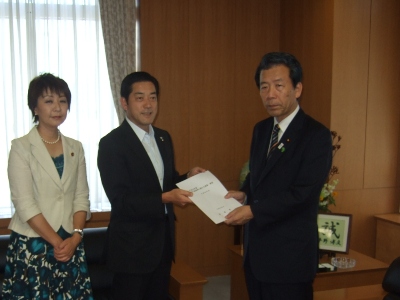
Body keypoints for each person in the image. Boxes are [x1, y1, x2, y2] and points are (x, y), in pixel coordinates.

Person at [224, 52, 332, 300]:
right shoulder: (262, 129)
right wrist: (244, 192)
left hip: (290, 260)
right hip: (256, 255)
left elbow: (303, 194)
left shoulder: (316, 136)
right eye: (264, 87)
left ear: (297, 88)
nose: (270, 94)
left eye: (279, 86)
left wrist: (253, 210)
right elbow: (258, 175)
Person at [97, 71, 205, 300]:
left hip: (162, 246)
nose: (148, 105)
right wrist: (166, 198)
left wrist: (188, 176)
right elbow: (121, 201)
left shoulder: (164, 138)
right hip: (130, 251)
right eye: (140, 98)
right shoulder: (111, 144)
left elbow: (166, 183)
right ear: (124, 103)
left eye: (153, 97)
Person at [2, 73, 93, 299]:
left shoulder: (76, 147)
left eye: (62, 101)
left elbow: (81, 196)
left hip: (71, 243)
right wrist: (59, 242)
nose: (57, 107)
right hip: (34, 244)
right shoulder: (21, 147)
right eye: (49, 101)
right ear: (35, 108)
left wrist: (76, 237)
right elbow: (24, 204)